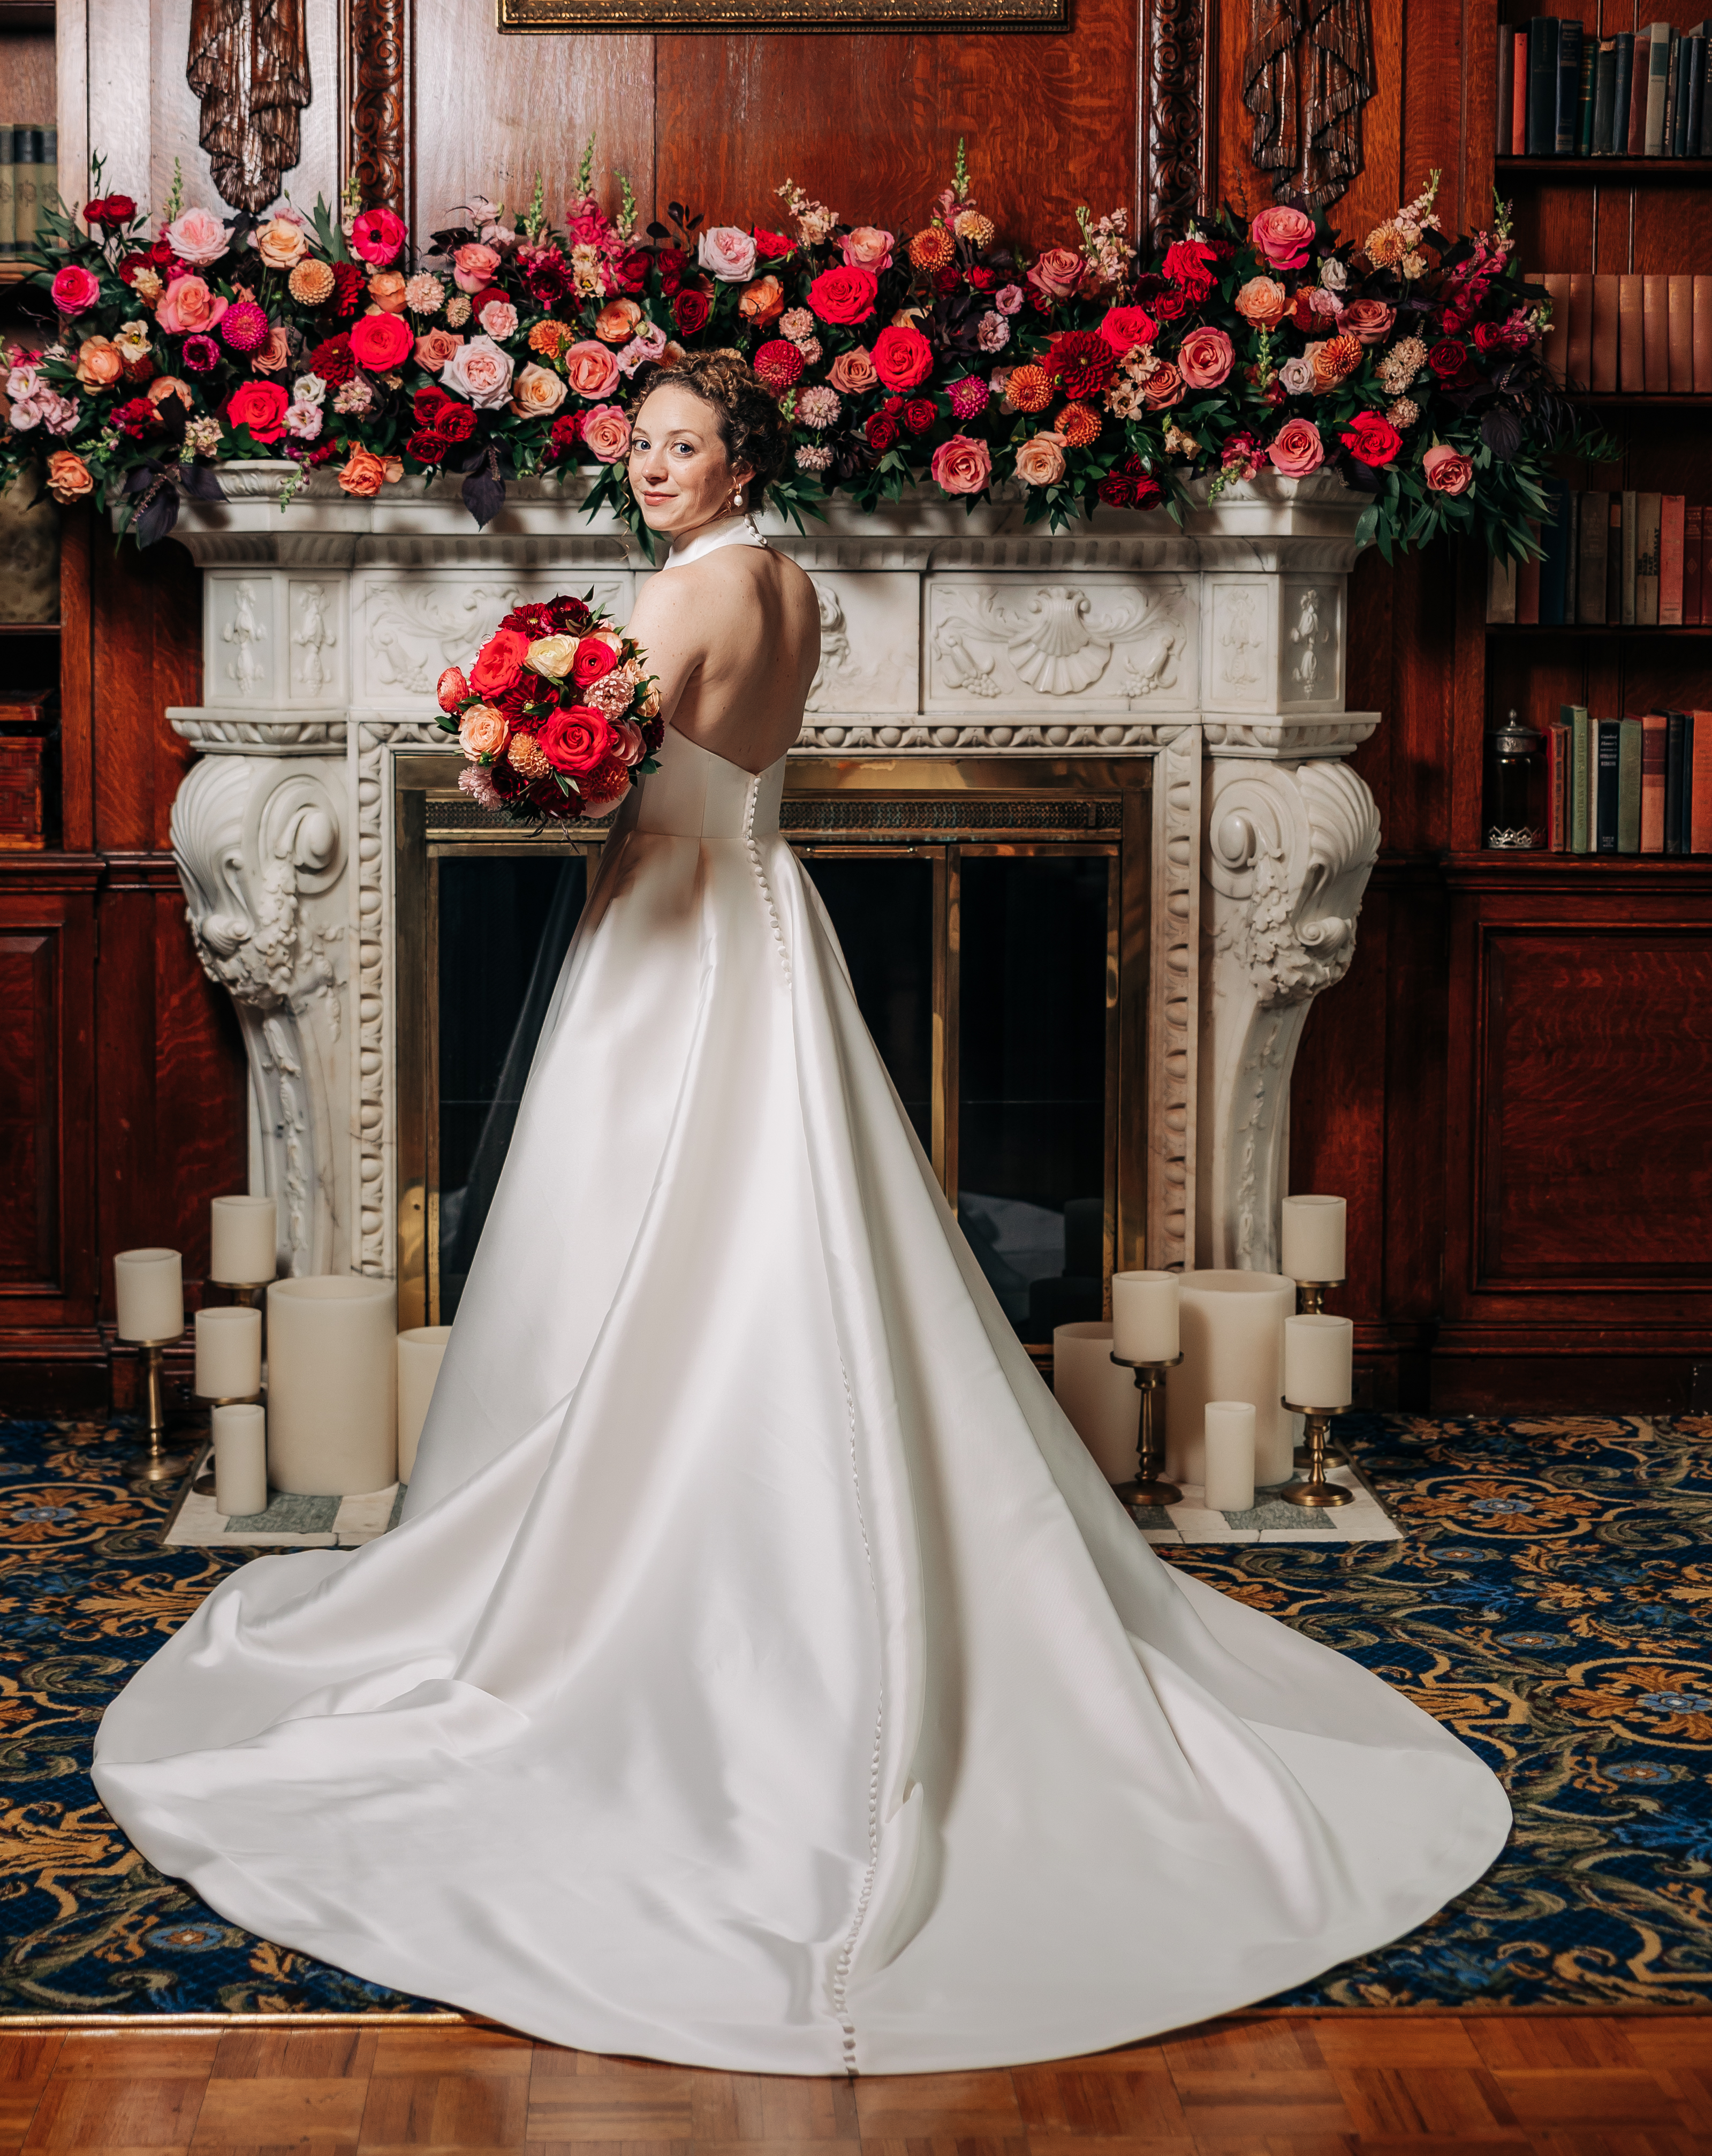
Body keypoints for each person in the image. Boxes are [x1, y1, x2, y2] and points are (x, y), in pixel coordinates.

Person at [93, 352, 1509, 2075]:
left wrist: (510, 762)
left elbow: (601, 786)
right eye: (640, 443)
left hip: (671, 933)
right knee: (796, 1219)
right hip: (767, 907)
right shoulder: (794, 586)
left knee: (648, 1230)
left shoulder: (681, 596)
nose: (654, 466)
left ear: (736, 456)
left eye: (682, 445)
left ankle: (644, 1548)